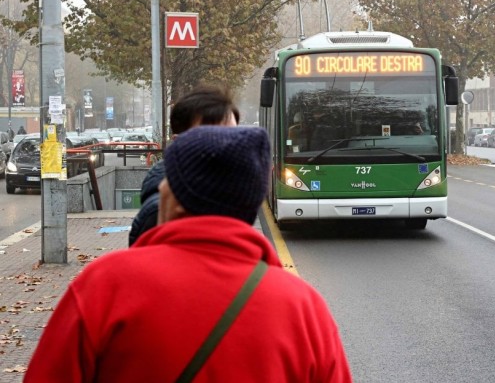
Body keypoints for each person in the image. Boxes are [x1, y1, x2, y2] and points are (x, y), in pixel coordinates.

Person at [24, 126, 352, 382]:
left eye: (169, 180)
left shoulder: (106, 286)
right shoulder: (303, 309)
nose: (162, 188)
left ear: (179, 199)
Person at [128, 84, 239, 246]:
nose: (227, 147)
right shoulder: (160, 213)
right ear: (178, 142)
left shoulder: (227, 192)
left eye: (234, 137)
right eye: (211, 138)